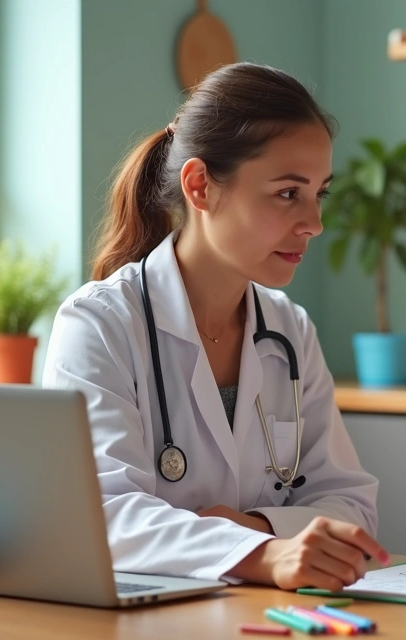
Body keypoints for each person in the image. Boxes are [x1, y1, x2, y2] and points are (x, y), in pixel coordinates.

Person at [42, 62, 387, 592]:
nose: (314, 223)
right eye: (288, 193)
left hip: (263, 614)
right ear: (200, 186)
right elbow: (101, 514)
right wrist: (264, 555)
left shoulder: (289, 330)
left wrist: (251, 531)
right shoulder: (100, 324)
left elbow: (352, 508)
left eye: (320, 193)